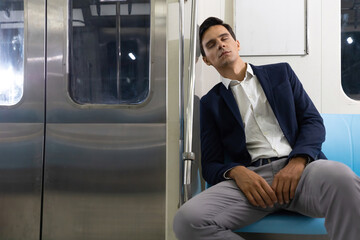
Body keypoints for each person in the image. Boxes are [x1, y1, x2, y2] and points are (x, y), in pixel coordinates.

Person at [173, 17, 360, 240]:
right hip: (251, 184)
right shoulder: (209, 103)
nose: (221, 45)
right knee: (186, 220)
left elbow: (313, 122)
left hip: (302, 173)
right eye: (211, 45)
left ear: (237, 44)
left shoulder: (281, 74)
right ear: (206, 60)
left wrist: (298, 161)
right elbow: (211, 165)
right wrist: (237, 172)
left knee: (343, 179)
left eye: (224, 38)